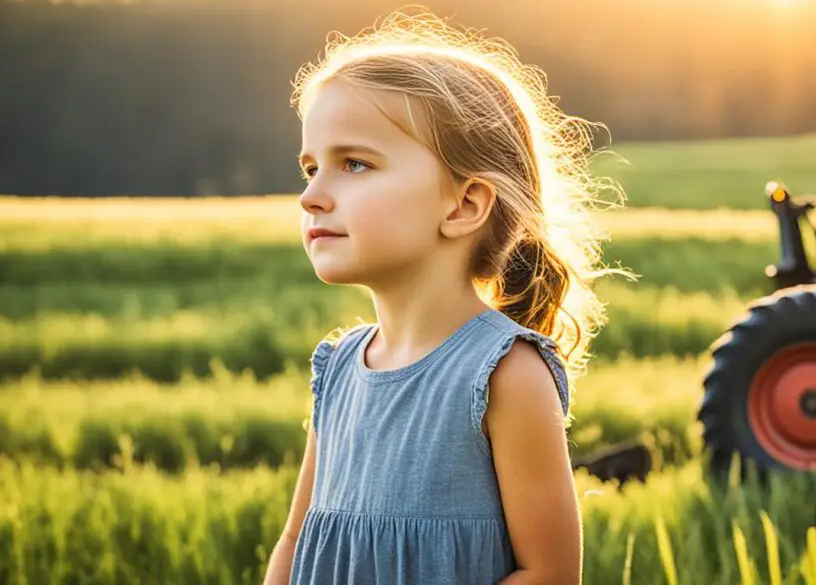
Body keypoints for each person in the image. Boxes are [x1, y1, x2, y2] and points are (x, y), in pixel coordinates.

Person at [262, 8, 627, 585]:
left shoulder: (504, 374)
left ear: (463, 206)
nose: (311, 196)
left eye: (354, 164)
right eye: (310, 168)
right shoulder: (336, 371)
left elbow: (550, 573)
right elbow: (294, 542)